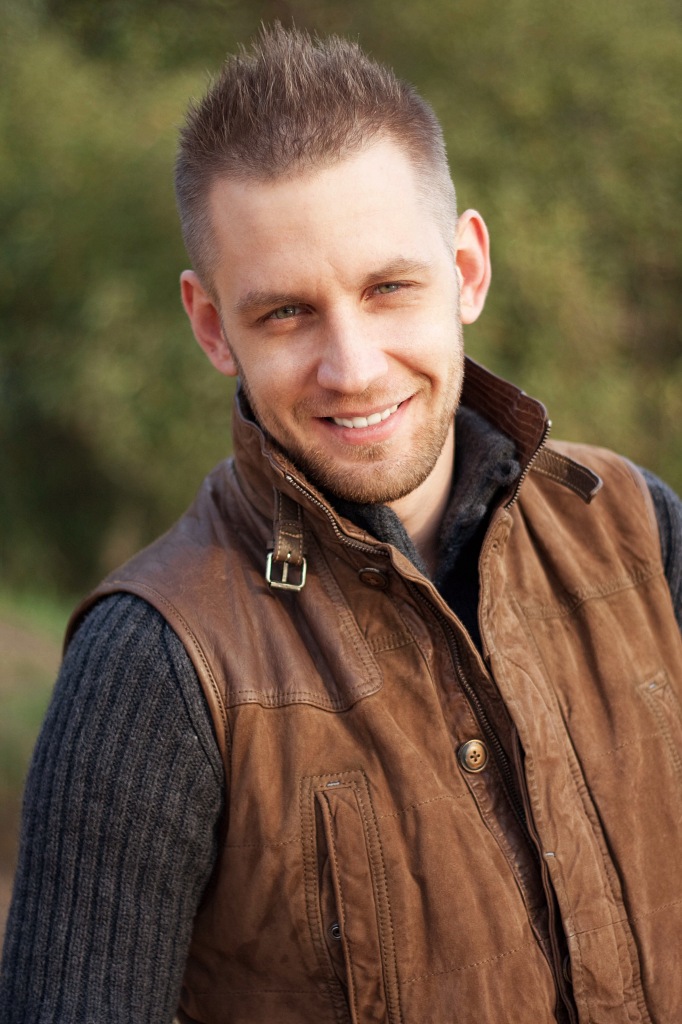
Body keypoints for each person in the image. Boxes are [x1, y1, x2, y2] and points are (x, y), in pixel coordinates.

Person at [1, 24, 681, 1024]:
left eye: (388, 287)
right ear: (211, 326)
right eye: (286, 313)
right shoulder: (151, 665)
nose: (353, 367)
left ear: (468, 268)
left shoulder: (636, 527)